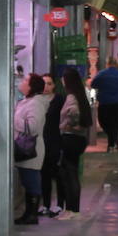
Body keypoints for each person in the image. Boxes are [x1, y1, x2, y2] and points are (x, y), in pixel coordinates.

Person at [56, 67, 93, 220]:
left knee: (69, 174)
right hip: (78, 140)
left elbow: (74, 114)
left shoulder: (71, 97)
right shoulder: (80, 95)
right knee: (71, 173)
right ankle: (72, 209)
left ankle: (72, 209)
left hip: (71, 138)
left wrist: (67, 125)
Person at [13, 74, 49, 225]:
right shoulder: (26, 101)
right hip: (23, 148)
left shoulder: (36, 104)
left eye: (26, 80)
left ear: (32, 86)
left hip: (30, 149)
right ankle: (28, 213)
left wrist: (12, 118)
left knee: (31, 180)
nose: (22, 82)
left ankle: (32, 214)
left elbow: (32, 127)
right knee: (27, 181)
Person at [40, 73, 66, 217]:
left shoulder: (59, 100)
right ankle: (45, 204)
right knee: (44, 174)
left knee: (57, 173)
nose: (46, 87)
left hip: (55, 140)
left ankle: (60, 204)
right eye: (44, 83)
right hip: (41, 141)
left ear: (54, 85)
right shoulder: (37, 100)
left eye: (49, 83)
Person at [92, 57, 118, 152]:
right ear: (116, 64)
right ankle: (114, 141)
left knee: (104, 122)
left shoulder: (102, 74)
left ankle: (112, 142)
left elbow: (93, 84)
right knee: (115, 122)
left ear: (107, 64)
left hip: (105, 102)